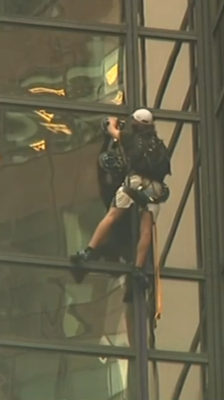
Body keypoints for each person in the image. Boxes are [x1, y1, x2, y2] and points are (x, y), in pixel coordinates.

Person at [71, 108, 171, 287]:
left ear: (135, 123)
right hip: (155, 189)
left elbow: (113, 132)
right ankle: (138, 269)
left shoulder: (132, 138)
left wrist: (112, 122)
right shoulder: (159, 145)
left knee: (111, 216)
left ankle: (88, 251)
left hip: (135, 183)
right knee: (146, 229)